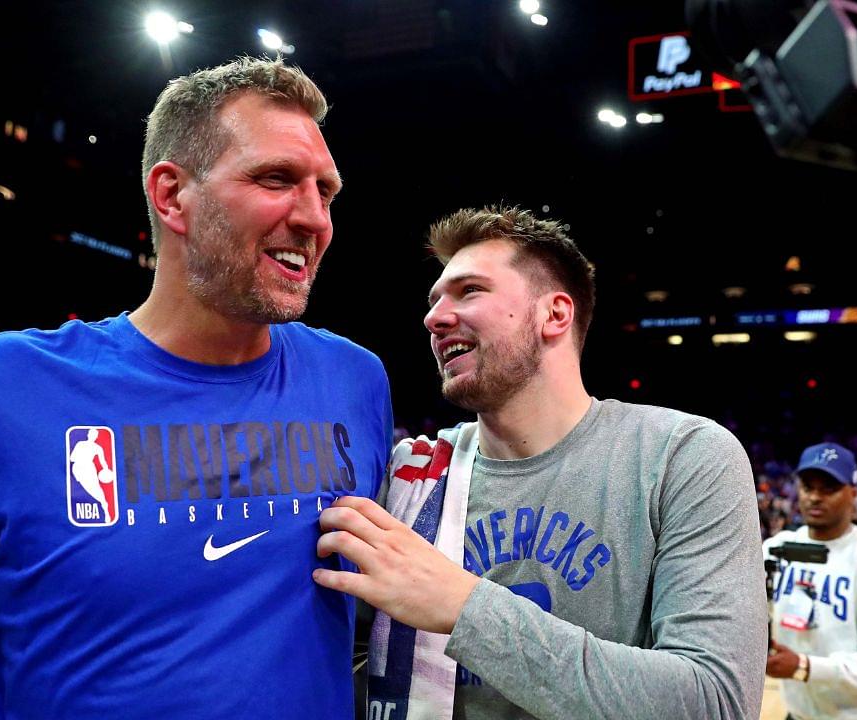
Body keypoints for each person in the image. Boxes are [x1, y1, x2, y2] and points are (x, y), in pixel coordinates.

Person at [0, 56, 393, 719]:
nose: (314, 218)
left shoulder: (357, 382)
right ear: (170, 195)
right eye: (277, 179)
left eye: (325, 191)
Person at [314, 206, 766, 719]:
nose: (434, 318)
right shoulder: (409, 474)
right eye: (434, 300)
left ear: (554, 314)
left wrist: (465, 609)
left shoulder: (684, 457)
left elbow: (718, 702)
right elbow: (351, 665)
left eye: (469, 291)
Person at [764, 442, 857, 720]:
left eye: (829, 488)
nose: (815, 497)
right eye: (808, 487)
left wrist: (804, 666)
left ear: (853, 495)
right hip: (798, 714)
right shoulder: (775, 550)